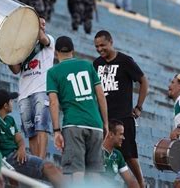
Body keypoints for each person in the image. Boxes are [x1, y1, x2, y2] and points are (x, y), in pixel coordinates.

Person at [47, 36, 109, 183]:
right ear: (73, 51)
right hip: (95, 124)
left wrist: (56, 131)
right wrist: (105, 123)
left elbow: (53, 102)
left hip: (73, 124)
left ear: (56, 53)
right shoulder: (87, 65)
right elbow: (101, 95)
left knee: (76, 171)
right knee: (94, 173)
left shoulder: (53, 72)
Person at [93, 30, 148, 188]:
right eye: (97, 46)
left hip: (123, 118)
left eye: (103, 45)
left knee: (130, 156)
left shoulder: (125, 61)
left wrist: (138, 107)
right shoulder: (97, 64)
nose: (99, 49)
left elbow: (143, 81)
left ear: (111, 42)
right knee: (101, 153)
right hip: (104, 118)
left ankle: (141, 184)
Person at [0, 89, 63, 187]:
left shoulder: (10, 119)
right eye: (11, 101)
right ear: (5, 106)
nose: (13, 103)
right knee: (49, 167)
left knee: (57, 170)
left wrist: (22, 148)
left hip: (16, 157)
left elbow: (19, 139)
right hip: (7, 159)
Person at [8, 18, 53, 159]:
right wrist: (7, 54)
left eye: (44, 23)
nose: (43, 25)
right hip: (24, 93)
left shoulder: (49, 40)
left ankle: (41, 161)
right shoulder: (22, 47)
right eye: (41, 23)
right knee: (30, 132)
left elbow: (42, 38)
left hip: (42, 89)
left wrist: (33, 23)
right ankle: (35, 160)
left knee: (42, 127)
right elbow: (15, 69)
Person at [102, 120, 139, 188]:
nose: (123, 138)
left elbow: (130, 181)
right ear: (111, 134)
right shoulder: (96, 151)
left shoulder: (118, 155)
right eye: (121, 134)